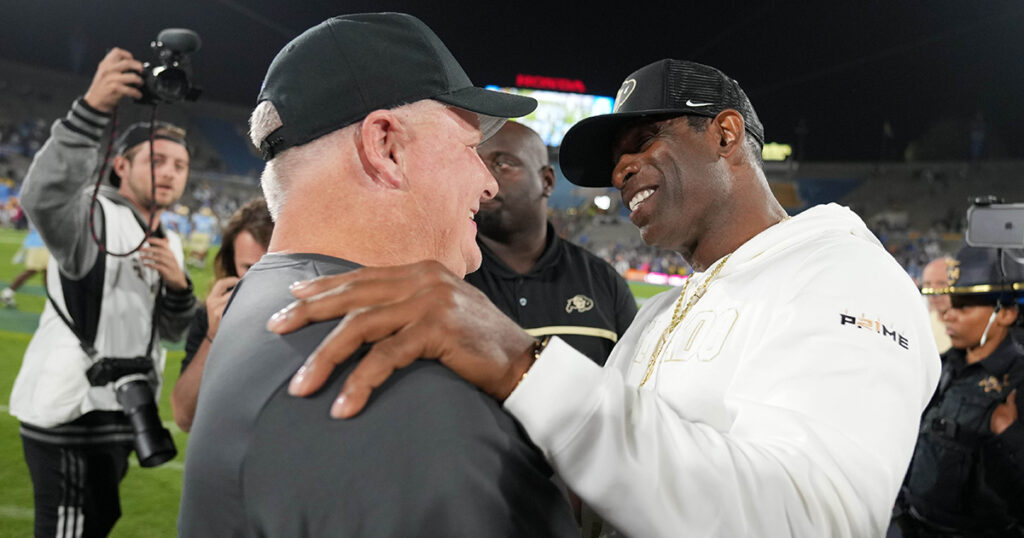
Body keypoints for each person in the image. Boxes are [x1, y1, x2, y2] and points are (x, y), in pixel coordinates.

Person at [275, 59, 942, 537]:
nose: (621, 171)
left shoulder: (848, 277)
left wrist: (520, 361)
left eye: (642, 140)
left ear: (725, 135)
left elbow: (816, 519)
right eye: (613, 158)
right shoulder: (655, 314)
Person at [178, 13, 576, 537]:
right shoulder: (410, 397)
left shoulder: (264, 292)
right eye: (468, 148)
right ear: (386, 145)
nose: (487, 184)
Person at [8, 47, 196, 537]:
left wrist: (179, 286)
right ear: (120, 166)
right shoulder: (91, 217)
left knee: (99, 522)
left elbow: (170, 332)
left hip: (123, 408)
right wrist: (91, 109)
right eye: (156, 159)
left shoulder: (168, 237)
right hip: (71, 408)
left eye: (180, 164)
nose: (171, 171)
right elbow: (43, 197)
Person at [469, 121, 637, 365]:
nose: (484, 180)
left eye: (502, 164)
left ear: (547, 181)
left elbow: (629, 386)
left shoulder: (603, 281)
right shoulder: (447, 275)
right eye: (476, 163)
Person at [893, 245, 1023, 536]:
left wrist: (1008, 434)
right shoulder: (944, 364)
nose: (948, 315)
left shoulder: (1016, 379)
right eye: (951, 303)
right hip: (912, 522)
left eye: (963, 306)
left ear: (1005, 314)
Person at [171, 198, 273, 431]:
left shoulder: (319, 317)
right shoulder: (212, 317)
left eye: (271, 265)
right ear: (231, 265)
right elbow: (185, 418)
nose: (261, 280)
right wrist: (214, 335)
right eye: (248, 268)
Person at [2, 224, 49, 309]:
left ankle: (53, 300)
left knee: (46, 274)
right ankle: (8, 293)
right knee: (34, 271)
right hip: (40, 243)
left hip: (40, 242)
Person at [921, 255, 954, 353]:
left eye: (941, 283)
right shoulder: (920, 327)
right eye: (928, 284)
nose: (933, 291)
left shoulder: (975, 327)